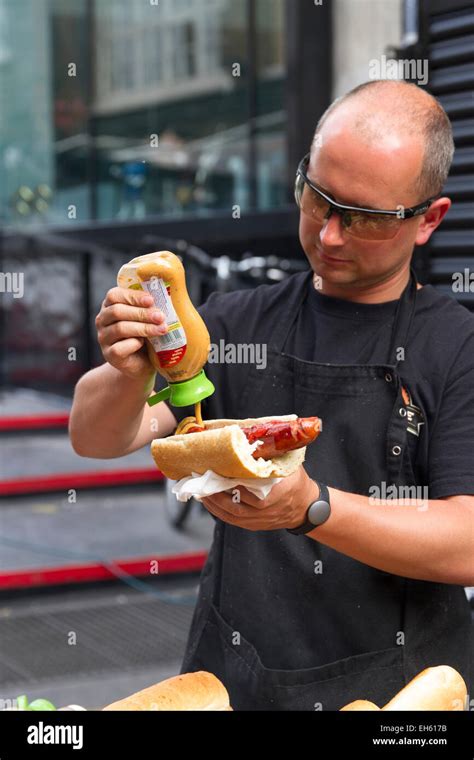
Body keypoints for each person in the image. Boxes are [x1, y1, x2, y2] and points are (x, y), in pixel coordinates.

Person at [70, 80, 474, 711]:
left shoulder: (456, 348)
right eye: (317, 199)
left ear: (429, 220)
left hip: (397, 692)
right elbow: (98, 438)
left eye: (364, 218)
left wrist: (310, 509)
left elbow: (468, 540)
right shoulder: (233, 325)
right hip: (234, 679)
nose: (331, 235)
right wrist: (126, 374)